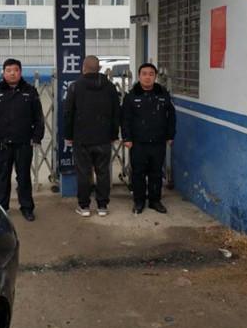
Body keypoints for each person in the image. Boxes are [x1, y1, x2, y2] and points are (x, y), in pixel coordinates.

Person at [0, 58, 45, 221]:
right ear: (3, 73)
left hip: (24, 142)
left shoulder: (30, 91)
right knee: (3, 176)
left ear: (20, 72)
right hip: (2, 143)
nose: (12, 73)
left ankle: (27, 208)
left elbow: (38, 117)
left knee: (23, 176)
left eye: (16, 70)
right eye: (9, 70)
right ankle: (1, 207)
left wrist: (37, 136)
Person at [64, 55, 120, 217]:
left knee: (84, 173)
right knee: (103, 172)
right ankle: (102, 206)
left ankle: (84, 206)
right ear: (99, 68)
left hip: (82, 138)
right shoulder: (109, 87)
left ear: (83, 68)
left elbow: (68, 113)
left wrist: (68, 135)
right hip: (103, 138)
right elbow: (116, 112)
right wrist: (113, 134)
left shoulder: (75, 87)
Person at [121, 63, 176, 214]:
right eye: (144, 74)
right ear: (139, 76)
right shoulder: (131, 96)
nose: (147, 77)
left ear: (155, 76)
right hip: (138, 143)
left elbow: (171, 116)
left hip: (158, 141)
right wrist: (127, 138)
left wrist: (170, 135)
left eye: (151, 74)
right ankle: (139, 201)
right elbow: (125, 119)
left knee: (156, 173)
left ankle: (155, 201)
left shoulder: (163, 94)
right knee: (138, 173)